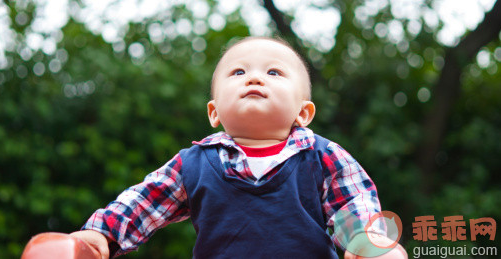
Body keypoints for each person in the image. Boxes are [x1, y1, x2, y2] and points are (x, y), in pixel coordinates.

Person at [71, 37, 407, 258]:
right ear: (214, 112)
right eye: (238, 72)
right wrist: (101, 235)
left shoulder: (322, 156)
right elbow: (145, 200)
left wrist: (368, 242)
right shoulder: (193, 164)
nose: (255, 78)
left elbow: (354, 204)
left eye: (274, 72)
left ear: (303, 112)